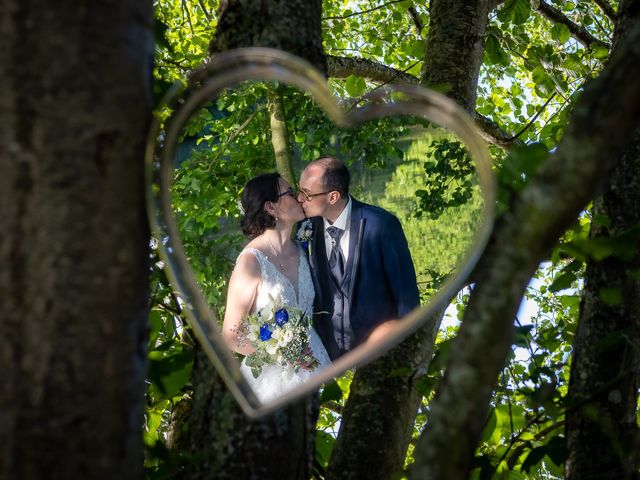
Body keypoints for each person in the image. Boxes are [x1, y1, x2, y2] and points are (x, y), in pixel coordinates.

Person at [297, 156, 420, 360]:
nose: (299, 199)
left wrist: (405, 354)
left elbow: (406, 298)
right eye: (299, 190)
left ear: (333, 197)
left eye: (306, 194)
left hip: (378, 353)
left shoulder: (381, 224)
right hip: (328, 358)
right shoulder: (305, 228)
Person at [222, 172, 331, 402]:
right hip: (270, 384)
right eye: (291, 193)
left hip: (315, 365)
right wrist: (284, 354)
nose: (300, 198)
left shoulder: (303, 250)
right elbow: (231, 336)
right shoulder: (251, 262)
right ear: (271, 207)